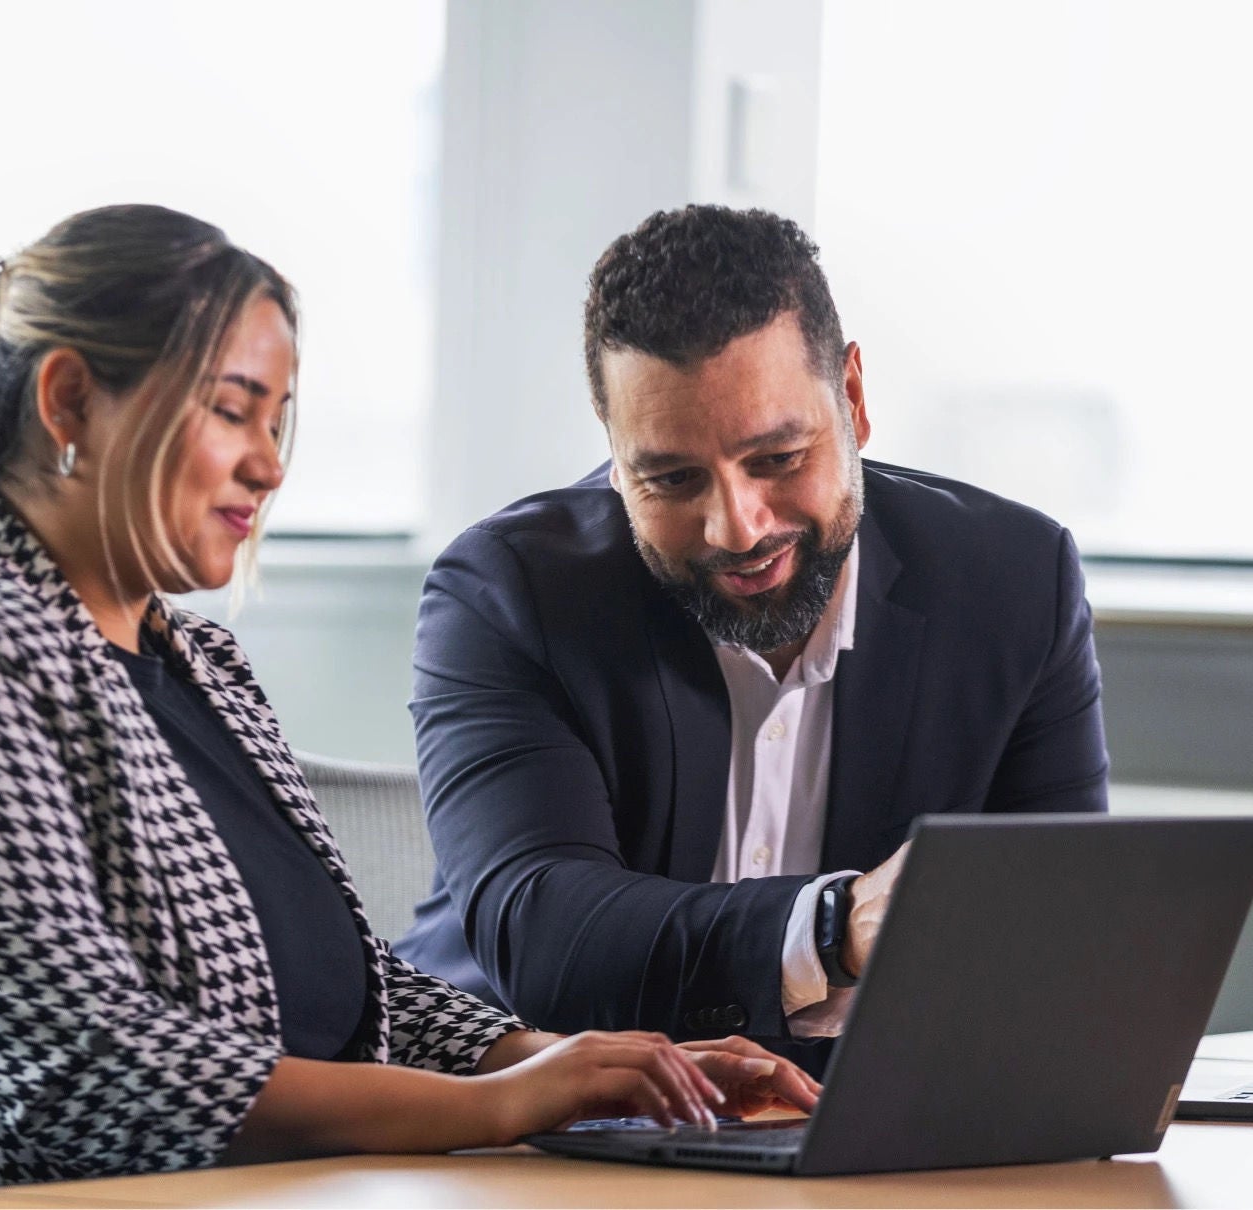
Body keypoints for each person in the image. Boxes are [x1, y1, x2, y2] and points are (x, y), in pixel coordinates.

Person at [0, 204, 817, 1207]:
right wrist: (505, 1106)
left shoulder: (196, 664)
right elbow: (95, 1075)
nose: (270, 465)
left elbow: (351, 988)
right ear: (67, 401)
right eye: (234, 411)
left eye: (279, 419)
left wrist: (580, 1062)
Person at [395, 204, 1110, 1072]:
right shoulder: (508, 594)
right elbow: (551, 939)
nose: (736, 526)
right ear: (616, 456)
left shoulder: (1013, 581)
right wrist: (831, 927)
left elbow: (1064, 932)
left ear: (851, 397)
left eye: (776, 459)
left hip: (852, 1131)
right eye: (671, 478)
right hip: (520, 1120)